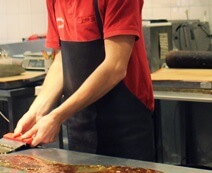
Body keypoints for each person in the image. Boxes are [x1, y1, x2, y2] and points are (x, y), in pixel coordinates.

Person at [13, 0, 155, 161]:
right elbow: (61, 62)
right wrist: (36, 112)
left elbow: (115, 66)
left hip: (124, 128)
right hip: (80, 125)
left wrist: (57, 116)